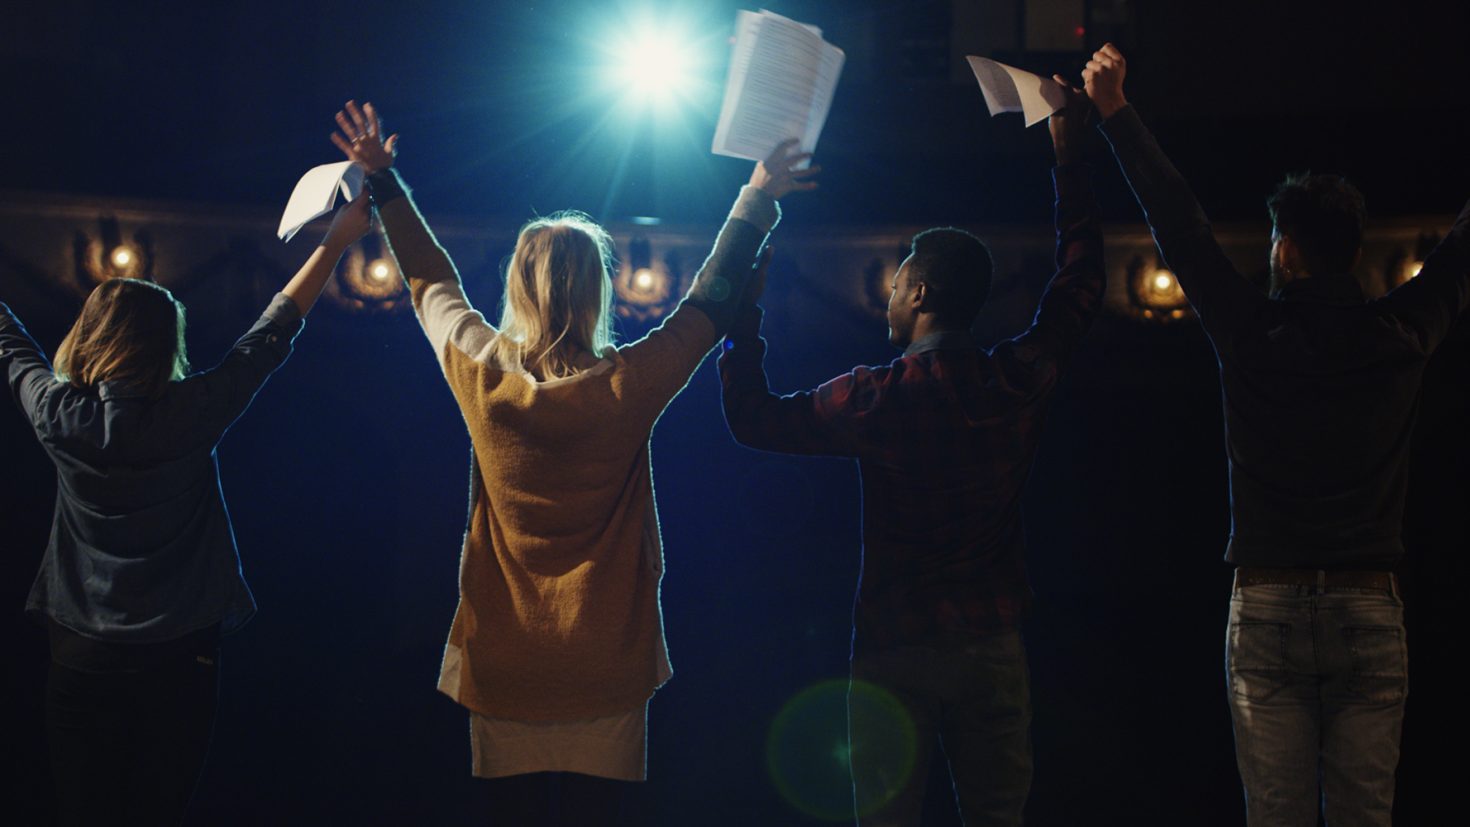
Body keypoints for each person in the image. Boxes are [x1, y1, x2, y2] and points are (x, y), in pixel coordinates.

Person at [328, 100, 816, 825]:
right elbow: (709, 302)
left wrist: (386, 182)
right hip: (606, 663)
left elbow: (430, 280)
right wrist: (756, 194)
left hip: (504, 658)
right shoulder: (631, 382)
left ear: (518, 284)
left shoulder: (479, 367)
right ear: (599, 290)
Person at [1082, 43, 1470, 826]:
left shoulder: (1250, 330)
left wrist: (1116, 112)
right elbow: (1464, 250)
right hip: (1368, 602)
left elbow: (1178, 219)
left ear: (1286, 250)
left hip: (1265, 603)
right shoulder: (1401, 332)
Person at [718, 83, 1102, 826]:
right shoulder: (1014, 380)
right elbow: (1081, 282)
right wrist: (1068, 151)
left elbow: (752, 419)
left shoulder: (874, 396)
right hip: (991, 643)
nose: (888, 298)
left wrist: (744, 315)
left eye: (895, 286)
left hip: (896, 645)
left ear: (921, 291)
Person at [0, 196, 371, 826]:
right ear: (162, 343)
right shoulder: (194, 410)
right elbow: (274, 330)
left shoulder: (59, 415)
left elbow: (10, 344)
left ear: (89, 336)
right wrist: (335, 242)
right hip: (180, 659)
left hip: (82, 656)